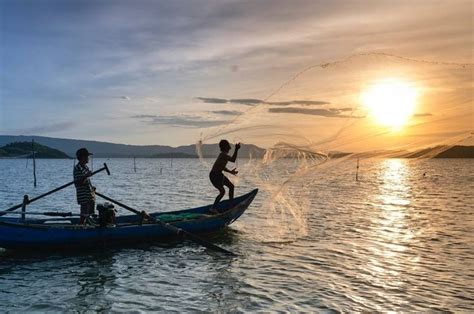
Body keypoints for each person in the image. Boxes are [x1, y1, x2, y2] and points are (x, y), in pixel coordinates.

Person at [209, 140, 241, 213]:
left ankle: (230, 205)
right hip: (214, 176)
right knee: (222, 192)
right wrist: (236, 149)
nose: (230, 148)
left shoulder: (223, 155)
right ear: (225, 147)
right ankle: (213, 208)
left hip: (219, 175)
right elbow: (233, 160)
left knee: (231, 187)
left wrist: (230, 172)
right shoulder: (223, 155)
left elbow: (222, 167)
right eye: (228, 146)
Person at [73, 148, 96, 224]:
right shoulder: (77, 168)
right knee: (84, 213)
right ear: (82, 157)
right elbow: (79, 182)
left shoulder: (85, 167)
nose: (88, 158)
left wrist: (92, 188)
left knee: (90, 212)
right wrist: (86, 176)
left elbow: (87, 181)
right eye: (87, 156)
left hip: (88, 193)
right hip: (83, 194)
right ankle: (81, 226)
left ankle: (88, 224)